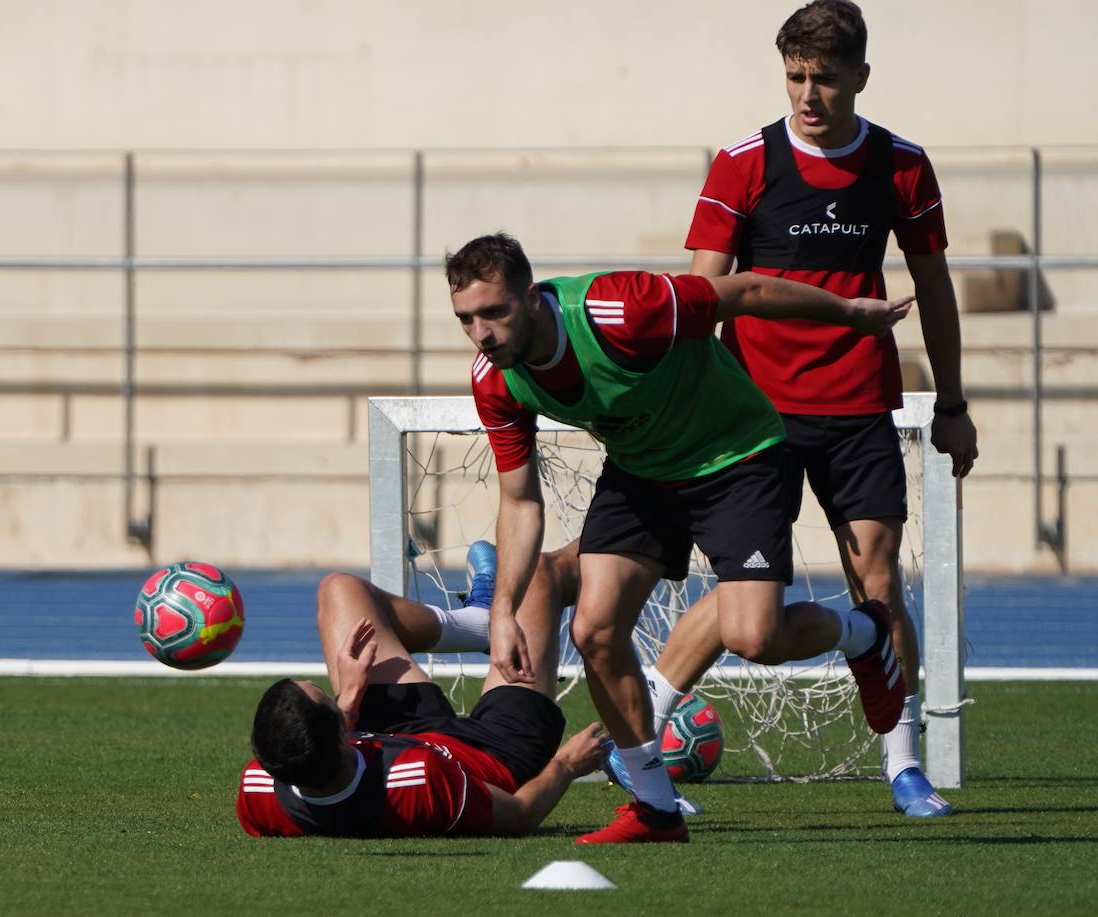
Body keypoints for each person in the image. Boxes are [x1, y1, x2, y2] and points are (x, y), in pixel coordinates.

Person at [446, 231, 911, 843]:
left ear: (531, 297)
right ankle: (655, 807)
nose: (482, 332)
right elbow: (520, 501)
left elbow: (745, 290)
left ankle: (865, 632)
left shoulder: (621, 310)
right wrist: (503, 610)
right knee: (593, 630)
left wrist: (850, 313)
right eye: (466, 319)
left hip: (738, 457)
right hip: (640, 473)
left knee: (755, 635)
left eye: (494, 312)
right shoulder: (495, 380)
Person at [684, 0, 977, 817]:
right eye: (795, 77)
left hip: (856, 409)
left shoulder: (901, 165)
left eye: (824, 79)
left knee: (878, 580)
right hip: (754, 419)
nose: (808, 95)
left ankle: (904, 760)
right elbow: (702, 297)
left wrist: (951, 403)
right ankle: (643, 740)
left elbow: (936, 290)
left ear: (860, 77)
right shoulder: (743, 162)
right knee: (748, 608)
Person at [236, 543, 613, 838]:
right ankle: (647, 524)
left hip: (392, 738)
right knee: (537, 574)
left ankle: (478, 624)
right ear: (340, 736)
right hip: (494, 752)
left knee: (340, 589)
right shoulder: (419, 779)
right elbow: (519, 815)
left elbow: (324, 773)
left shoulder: (260, 789)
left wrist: (348, 700)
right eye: (328, 697)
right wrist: (566, 765)